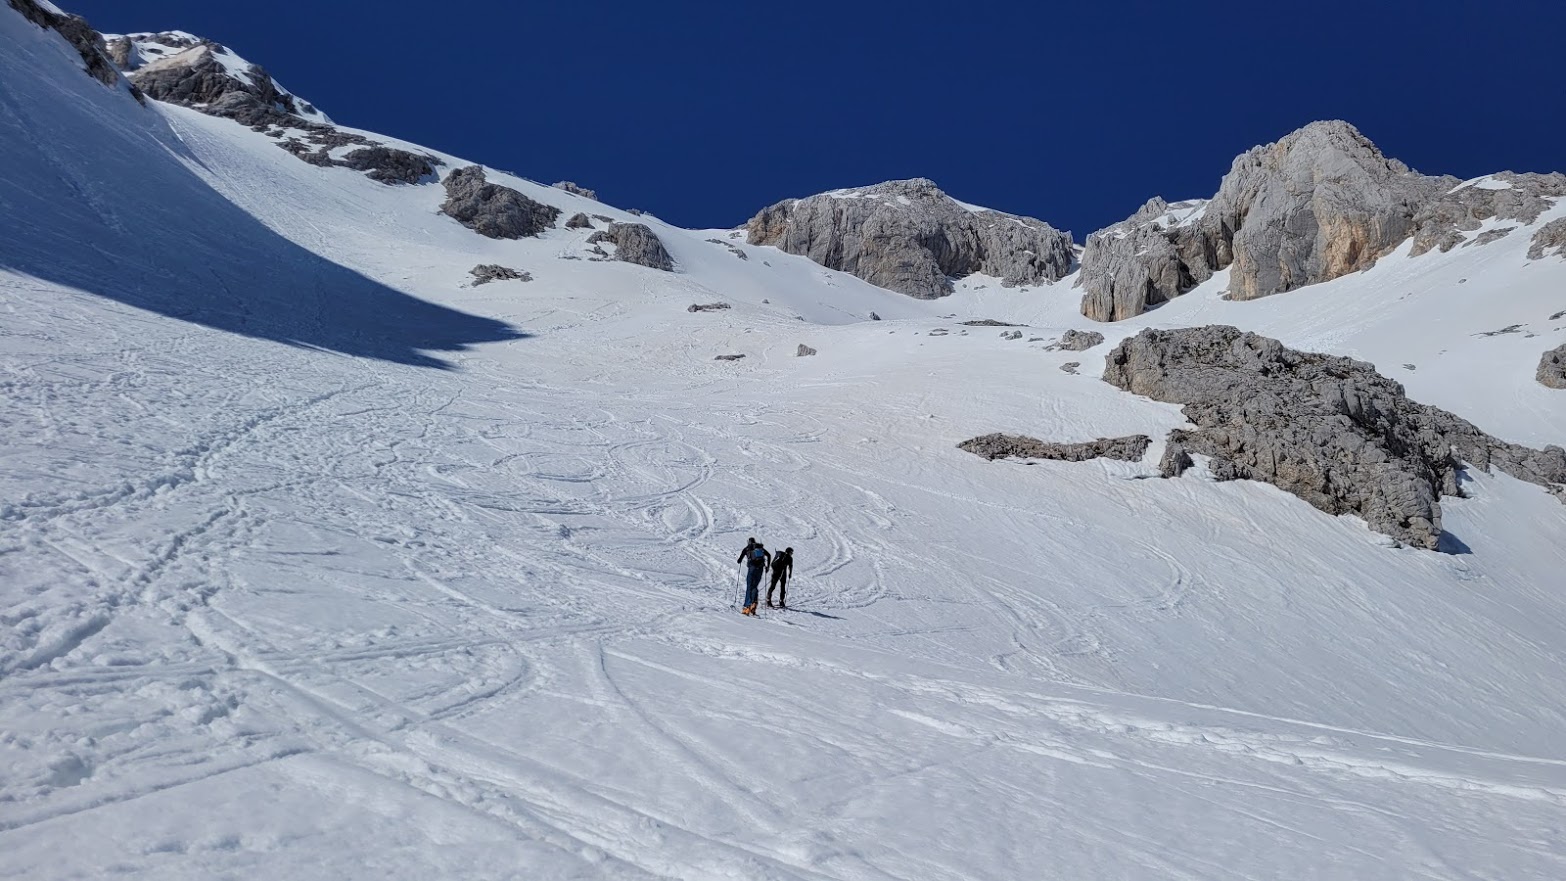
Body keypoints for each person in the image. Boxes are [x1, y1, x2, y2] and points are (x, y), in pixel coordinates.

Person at [737, 538, 770, 616]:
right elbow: (769, 555)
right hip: (760, 568)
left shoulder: (747, 548)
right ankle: (754, 604)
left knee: (749, 586)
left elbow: (739, 560)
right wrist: (767, 567)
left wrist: (740, 560)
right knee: (754, 586)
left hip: (752, 568)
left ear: (749, 542)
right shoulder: (760, 548)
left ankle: (747, 607)